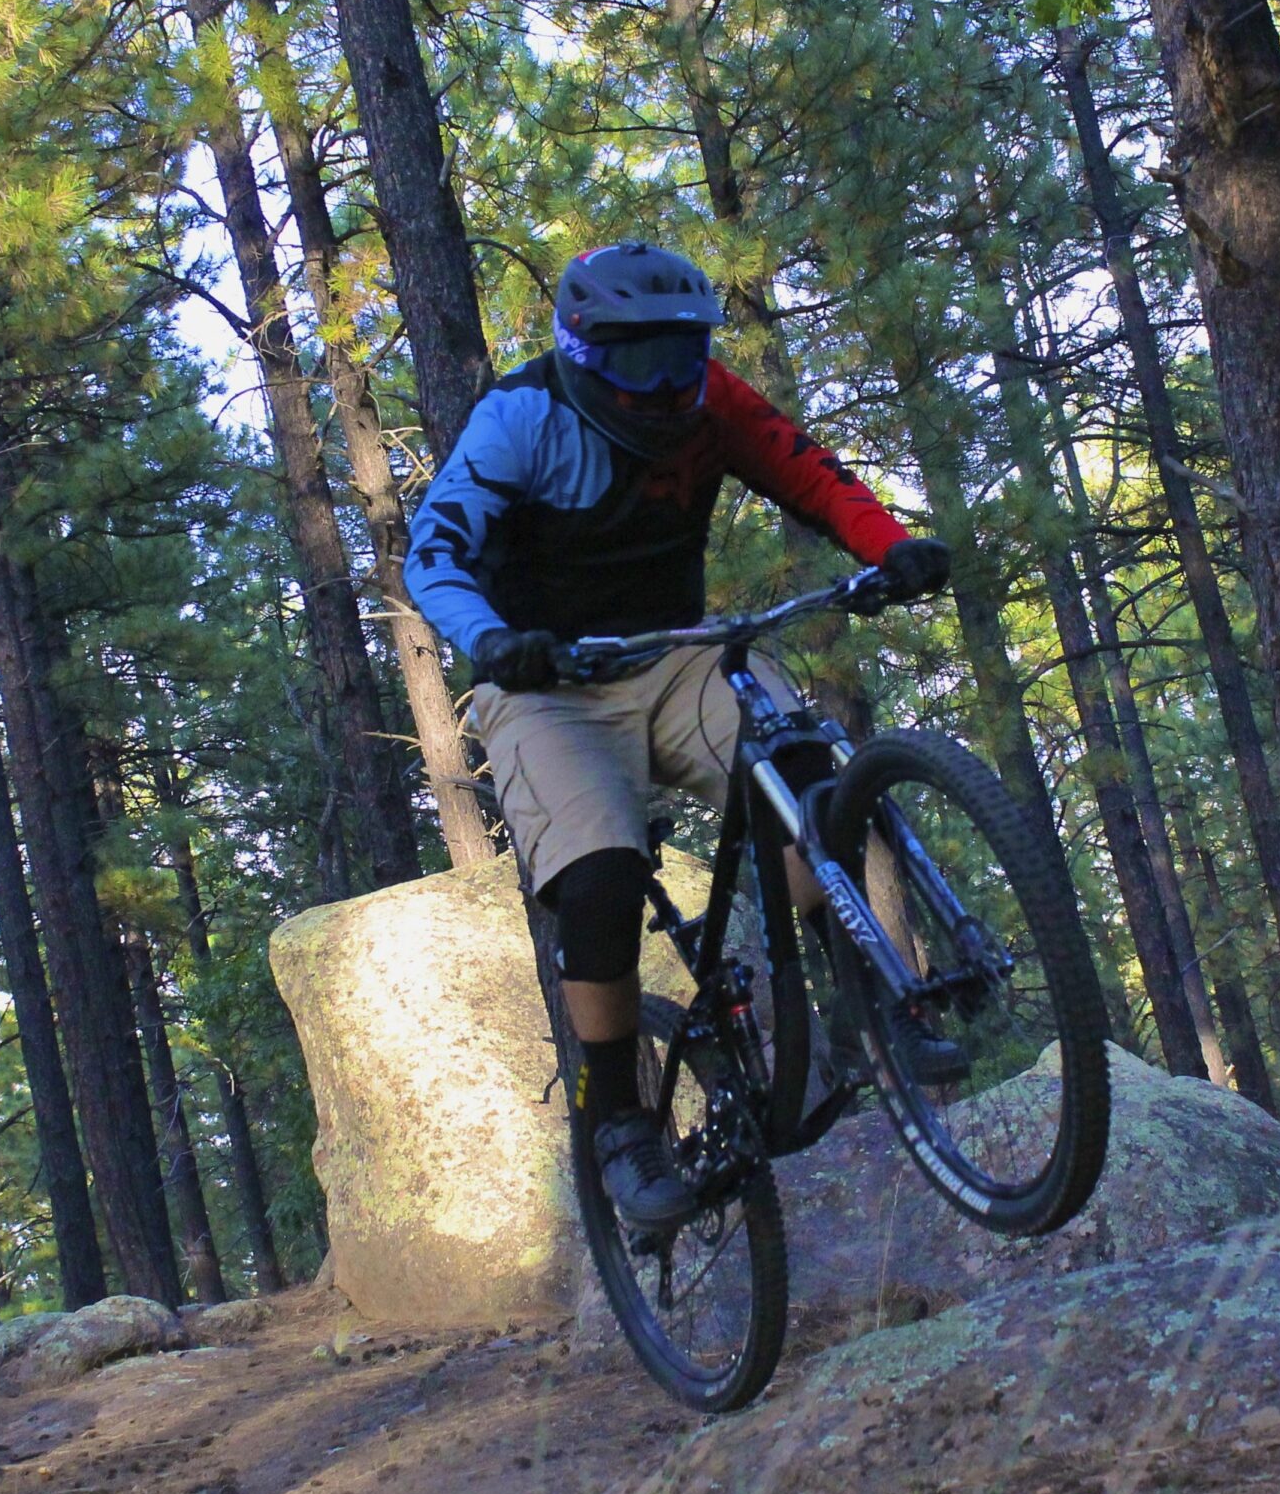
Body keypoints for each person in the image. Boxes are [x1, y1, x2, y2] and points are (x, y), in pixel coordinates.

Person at [404, 241, 957, 1232]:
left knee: (803, 779)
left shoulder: (712, 405)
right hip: (551, 688)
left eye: (681, 357)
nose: (663, 387)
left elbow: (812, 476)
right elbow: (433, 554)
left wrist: (890, 548)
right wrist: (491, 639)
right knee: (600, 882)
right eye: (637, 362)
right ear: (582, 351)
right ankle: (617, 1116)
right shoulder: (521, 420)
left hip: (681, 656)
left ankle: (867, 1003)